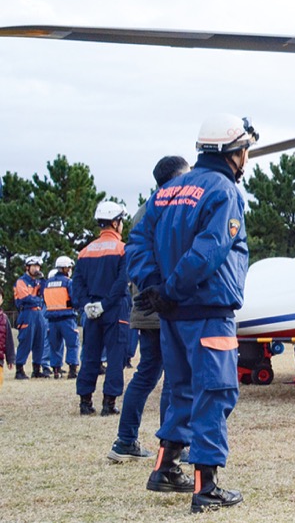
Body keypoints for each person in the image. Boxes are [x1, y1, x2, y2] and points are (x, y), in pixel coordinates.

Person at [128, 114, 258, 513]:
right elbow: (210, 250)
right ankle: (207, 487)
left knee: (181, 389)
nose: (247, 159)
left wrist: (155, 289)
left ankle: (165, 468)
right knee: (215, 392)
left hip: (172, 314)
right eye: (245, 151)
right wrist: (170, 289)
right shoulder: (224, 191)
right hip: (207, 309)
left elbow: (138, 242)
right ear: (232, 152)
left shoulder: (167, 190)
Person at [109, 156, 191, 463]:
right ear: (173, 180)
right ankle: (174, 447)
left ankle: (125, 440)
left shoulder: (144, 211)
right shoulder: (169, 209)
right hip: (163, 304)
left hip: (144, 305)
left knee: (146, 374)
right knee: (174, 377)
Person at [74, 201, 132, 417]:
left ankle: (85, 402)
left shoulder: (84, 252)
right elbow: (122, 282)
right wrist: (105, 304)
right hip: (114, 309)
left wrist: (87, 305)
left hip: (90, 311)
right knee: (116, 356)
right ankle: (109, 403)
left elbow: (77, 284)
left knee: (90, 355)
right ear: (115, 223)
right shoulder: (123, 249)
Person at [13, 256, 51, 379]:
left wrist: (44, 281)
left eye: (38, 266)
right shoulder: (21, 281)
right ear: (27, 267)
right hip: (27, 313)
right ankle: (19, 370)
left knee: (39, 341)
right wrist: (38, 300)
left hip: (39, 313)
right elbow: (26, 299)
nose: (36, 269)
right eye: (34, 266)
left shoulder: (38, 282)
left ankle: (36, 369)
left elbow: (44, 295)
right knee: (26, 341)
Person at [43, 256, 80, 379]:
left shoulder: (47, 283)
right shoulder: (68, 282)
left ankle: (56, 371)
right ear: (65, 268)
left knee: (55, 346)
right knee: (72, 344)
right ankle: (72, 370)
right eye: (69, 267)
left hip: (52, 320)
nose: (70, 270)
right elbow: (75, 299)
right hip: (67, 318)